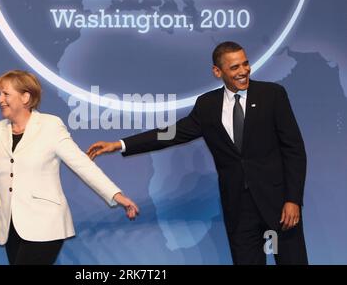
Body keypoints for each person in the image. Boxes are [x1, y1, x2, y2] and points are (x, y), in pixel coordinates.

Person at [87, 41, 308, 265]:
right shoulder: (207, 105)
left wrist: (293, 200)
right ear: (217, 71)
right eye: (234, 68)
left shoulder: (272, 95)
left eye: (245, 64)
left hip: (279, 205)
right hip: (239, 210)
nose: (243, 71)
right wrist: (120, 144)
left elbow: (294, 150)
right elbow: (170, 134)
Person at [0, 70, 139, 265]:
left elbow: (81, 164)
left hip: (46, 224)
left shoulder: (50, 126)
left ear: (26, 97)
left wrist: (115, 195)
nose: (0, 100)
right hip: (10, 227)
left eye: (5, 94)